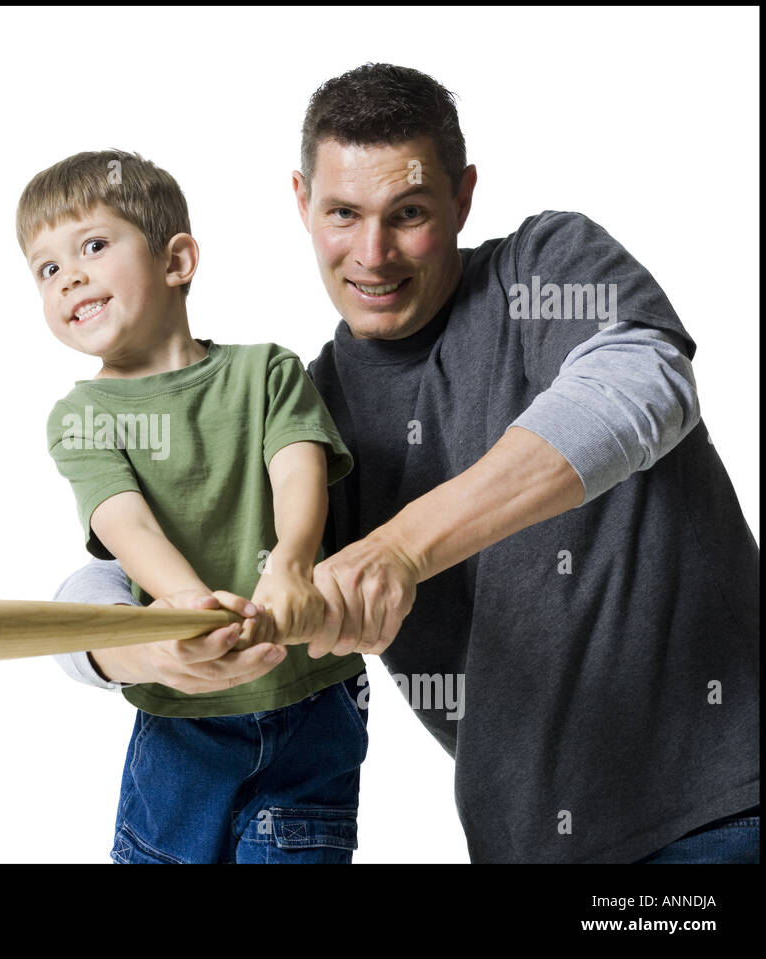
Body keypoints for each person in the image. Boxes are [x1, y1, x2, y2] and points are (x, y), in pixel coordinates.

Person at [54, 64, 759, 864]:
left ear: (462, 198)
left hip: (725, 806)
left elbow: (644, 380)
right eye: (343, 214)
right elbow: (128, 559)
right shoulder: (308, 414)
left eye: (410, 214)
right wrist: (123, 645)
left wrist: (400, 546)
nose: (372, 254)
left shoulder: (544, 265)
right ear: (301, 202)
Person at [19, 149, 369, 863]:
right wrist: (186, 603)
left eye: (91, 245)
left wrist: (295, 563)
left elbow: (296, 470)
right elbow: (124, 521)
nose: (70, 277)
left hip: (309, 706)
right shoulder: (79, 415)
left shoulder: (264, 370)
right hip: (183, 720)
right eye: (47, 268)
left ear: (177, 260)